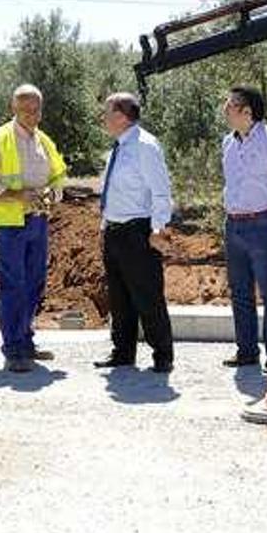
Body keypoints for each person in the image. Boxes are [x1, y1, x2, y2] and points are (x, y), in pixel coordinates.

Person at [0, 84, 67, 373]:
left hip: (38, 220)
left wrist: (53, 193)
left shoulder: (44, 141)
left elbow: (58, 177)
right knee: (13, 286)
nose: (32, 115)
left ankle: (26, 341)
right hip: (10, 225)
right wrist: (17, 195)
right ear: (14, 108)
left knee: (35, 283)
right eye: (25, 109)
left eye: (36, 109)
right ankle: (13, 350)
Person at [93, 92, 176, 374]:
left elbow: (161, 191)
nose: (103, 118)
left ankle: (162, 354)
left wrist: (158, 229)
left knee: (147, 295)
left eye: (106, 113)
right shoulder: (117, 148)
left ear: (120, 116)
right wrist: (104, 225)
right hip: (115, 230)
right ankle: (123, 351)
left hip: (138, 231)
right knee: (119, 297)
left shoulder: (145, 146)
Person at [221, 86, 267, 373]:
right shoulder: (228, 142)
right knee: (239, 290)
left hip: (264, 222)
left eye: (230, 105)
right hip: (234, 223)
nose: (225, 110)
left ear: (247, 111)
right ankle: (246, 351)